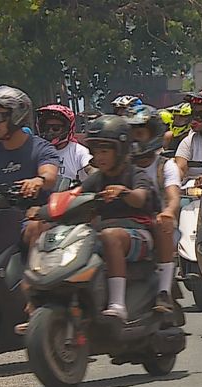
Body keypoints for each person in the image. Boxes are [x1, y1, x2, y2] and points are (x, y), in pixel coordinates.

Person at [81, 115, 158, 321]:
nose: (99, 157)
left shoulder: (136, 174)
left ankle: (117, 304)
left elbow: (141, 197)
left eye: (105, 151)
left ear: (120, 150)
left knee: (110, 236)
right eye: (96, 152)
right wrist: (47, 207)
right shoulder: (96, 179)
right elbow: (74, 195)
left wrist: (124, 192)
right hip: (101, 235)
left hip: (140, 236)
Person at [125, 105, 181, 312]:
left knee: (162, 225)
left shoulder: (166, 166)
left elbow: (173, 197)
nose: (134, 139)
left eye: (139, 133)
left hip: (156, 224)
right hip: (124, 223)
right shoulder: (121, 165)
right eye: (130, 134)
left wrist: (168, 212)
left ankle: (163, 292)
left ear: (153, 134)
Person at [0, 85, 59, 205]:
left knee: (35, 224)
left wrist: (39, 180)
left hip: (36, 214)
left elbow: (49, 176)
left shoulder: (41, 149)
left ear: (17, 117)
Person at [35, 104, 94, 182]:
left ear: (67, 128)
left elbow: (92, 170)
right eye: (46, 128)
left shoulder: (78, 151)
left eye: (56, 128)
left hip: (73, 193)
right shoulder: (36, 151)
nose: (50, 131)